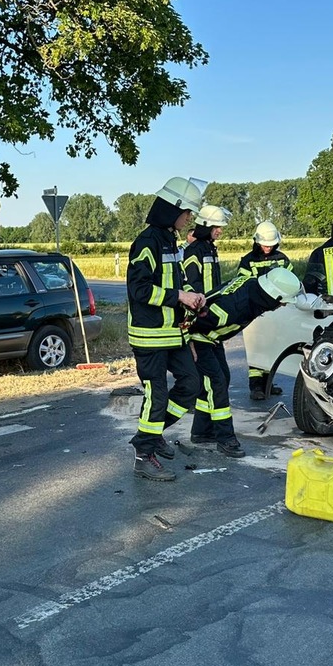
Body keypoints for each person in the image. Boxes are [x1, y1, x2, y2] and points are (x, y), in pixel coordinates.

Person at [127, 176, 207, 482]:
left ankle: (153, 432)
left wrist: (189, 297)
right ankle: (143, 454)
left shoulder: (169, 242)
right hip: (149, 336)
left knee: (191, 384)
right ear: (173, 208)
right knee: (157, 395)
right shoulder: (146, 242)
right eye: (187, 212)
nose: (189, 219)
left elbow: (176, 282)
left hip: (174, 335)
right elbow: (139, 289)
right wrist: (179, 297)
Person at [184, 268, 303, 457]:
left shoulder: (250, 284)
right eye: (281, 302)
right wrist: (187, 341)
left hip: (211, 338)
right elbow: (190, 321)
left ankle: (202, 431)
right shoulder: (232, 309)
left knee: (222, 378)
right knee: (217, 383)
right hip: (198, 337)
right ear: (272, 296)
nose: (281, 307)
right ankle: (226, 439)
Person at [237, 221, 292, 399]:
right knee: (257, 348)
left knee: (272, 348)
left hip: (277, 312)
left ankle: (268, 384)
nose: (268, 247)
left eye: (271, 244)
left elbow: (291, 282)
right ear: (257, 241)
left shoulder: (282, 259)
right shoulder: (247, 261)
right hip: (255, 312)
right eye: (265, 244)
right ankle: (256, 387)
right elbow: (242, 286)